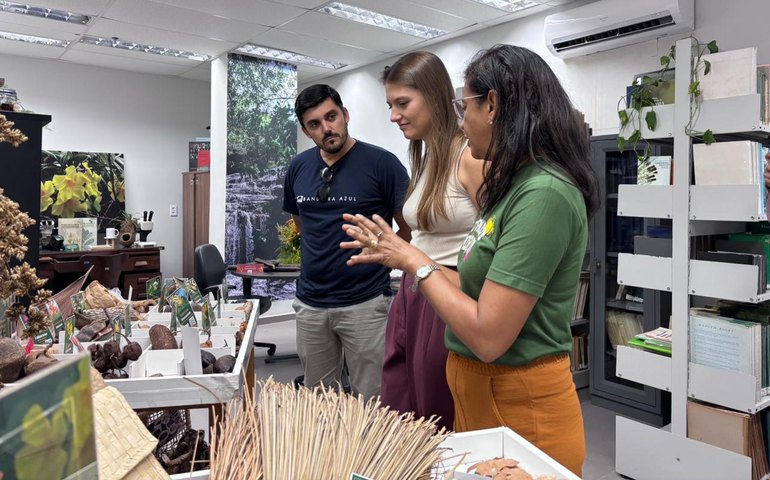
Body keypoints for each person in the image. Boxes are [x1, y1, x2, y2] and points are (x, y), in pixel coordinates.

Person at [340, 45, 599, 476]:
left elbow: (489, 335)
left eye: (467, 106)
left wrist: (415, 261)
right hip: (484, 402)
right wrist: (402, 256)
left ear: (493, 105)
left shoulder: (544, 193)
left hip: (519, 408)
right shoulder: (515, 189)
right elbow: (479, 285)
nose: (462, 120)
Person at [283, 84, 410, 399]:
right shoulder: (298, 168)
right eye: (315, 124)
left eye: (331, 117)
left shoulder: (383, 164)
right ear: (306, 130)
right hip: (311, 305)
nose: (327, 128)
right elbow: (301, 224)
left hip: (365, 303)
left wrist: (381, 248)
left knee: (376, 400)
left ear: (345, 115)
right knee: (321, 402)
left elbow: (408, 232)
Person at [379, 51, 483, 430]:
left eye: (402, 103)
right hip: (413, 291)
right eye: (391, 105)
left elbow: (494, 243)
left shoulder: (470, 159)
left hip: (448, 291)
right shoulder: (424, 159)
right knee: (402, 405)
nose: (394, 115)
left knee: (438, 410)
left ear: (435, 97)